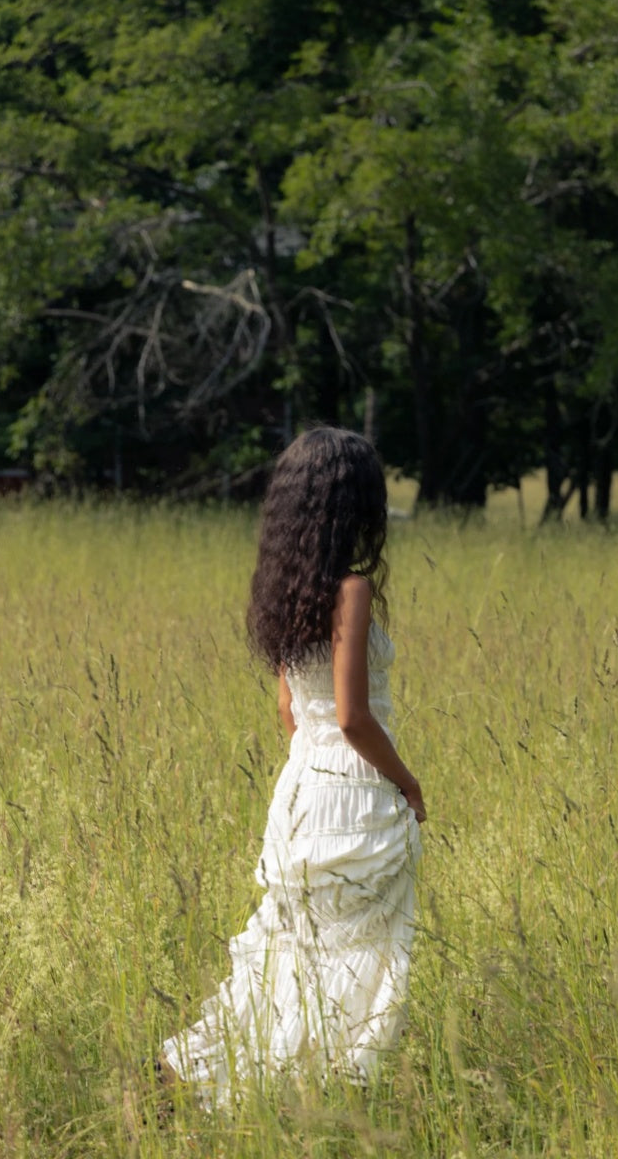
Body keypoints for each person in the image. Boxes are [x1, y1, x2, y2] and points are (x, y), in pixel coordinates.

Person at [154, 426, 426, 1111]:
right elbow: (355, 715)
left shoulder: (286, 591)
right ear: (352, 504)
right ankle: (319, 1090)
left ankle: (198, 1066)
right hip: (355, 784)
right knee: (354, 952)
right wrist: (408, 781)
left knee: (292, 948)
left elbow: (290, 711)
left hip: (301, 782)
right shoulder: (353, 589)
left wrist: (314, 769)